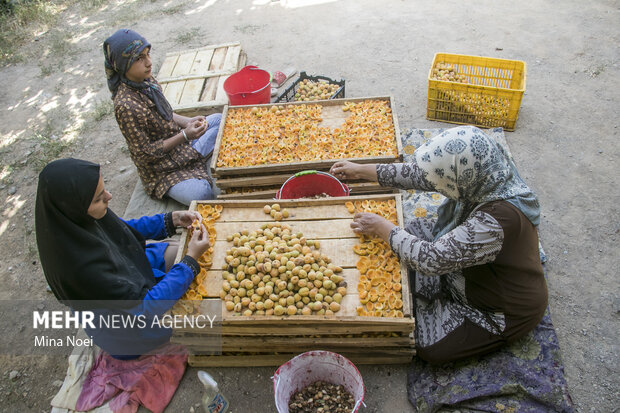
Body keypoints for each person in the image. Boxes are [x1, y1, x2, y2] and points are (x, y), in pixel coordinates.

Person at [330, 125, 547, 364]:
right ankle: (433, 289)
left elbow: (430, 260)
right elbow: (419, 175)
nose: (437, 182)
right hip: (473, 268)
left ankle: (445, 303)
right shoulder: (485, 171)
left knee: (430, 346)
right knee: (413, 230)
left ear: (460, 174)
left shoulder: (497, 221)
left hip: (496, 307)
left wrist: (382, 227)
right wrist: (360, 170)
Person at [35, 158, 210, 358]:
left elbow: (122, 229)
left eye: (104, 190)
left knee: (180, 251)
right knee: (200, 307)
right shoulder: (83, 270)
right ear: (77, 207)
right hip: (130, 331)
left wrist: (171, 220)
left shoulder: (74, 222)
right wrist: (189, 261)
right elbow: (147, 307)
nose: (109, 196)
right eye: (99, 198)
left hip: (126, 272)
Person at [103, 28, 221, 206]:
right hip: (162, 168)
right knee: (203, 193)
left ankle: (197, 160)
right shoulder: (126, 106)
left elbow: (165, 114)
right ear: (122, 65)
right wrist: (185, 135)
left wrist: (187, 122)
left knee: (219, 119)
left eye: (147, 54)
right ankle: (195, 169)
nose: (148, 62)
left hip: (183, 147)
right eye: (139, 59)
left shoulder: (146, 81)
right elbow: (146, 154)